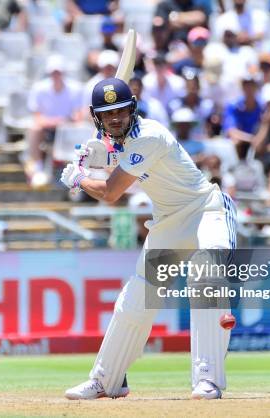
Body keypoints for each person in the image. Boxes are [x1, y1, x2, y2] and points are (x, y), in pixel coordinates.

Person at [60, 77, 237, 400]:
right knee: (136, 299)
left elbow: (111, 192)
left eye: (120, 111)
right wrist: (100, 154)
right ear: (96, 117)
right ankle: (106, 381)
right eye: (107, 113)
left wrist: (79, 177)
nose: (115, 118)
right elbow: (117, 159)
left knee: (205, 280)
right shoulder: (120, 142)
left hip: (205, 210)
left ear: (133, 109)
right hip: (169, 222)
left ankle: (207, 380)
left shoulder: (150, 135)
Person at [26, 54, 84, 187]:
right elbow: (37, 117)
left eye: (58, 72)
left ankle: (78, 171)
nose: (56, 75)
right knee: (35, 128)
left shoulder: (75, 88)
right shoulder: (39, 88)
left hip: (68, 128)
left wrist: (65, 122)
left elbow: (78, 116)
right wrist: (56, 122)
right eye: (53, 72)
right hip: (48, 127)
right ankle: (37, 167)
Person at [222, 72, 263, 159]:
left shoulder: (262, 107)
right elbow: (231, 131)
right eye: (246, 85)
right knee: (236, 142)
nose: (248, 89)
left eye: (251, 85)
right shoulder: (233, 106)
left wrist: (258, 140)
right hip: (242, 143)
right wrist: (252, 139)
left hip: (258, 144)